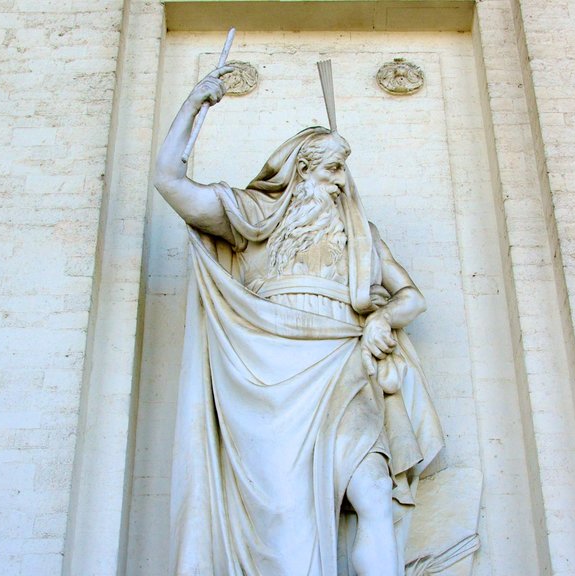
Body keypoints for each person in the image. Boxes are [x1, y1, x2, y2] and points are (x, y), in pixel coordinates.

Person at [155, 67, 443, 576]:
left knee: (374, 492)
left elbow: (410, 298)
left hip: (344, 362)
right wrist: (195, 103)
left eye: (343, 172)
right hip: (271, 373)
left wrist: (380, 319)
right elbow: (169, 182)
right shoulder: (252, 218)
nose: (340, 183)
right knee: (285, 518)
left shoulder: (362, 234)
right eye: (332, 169)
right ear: (303, 168)